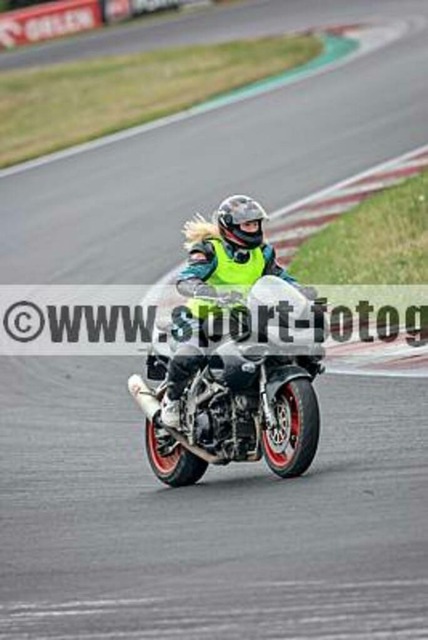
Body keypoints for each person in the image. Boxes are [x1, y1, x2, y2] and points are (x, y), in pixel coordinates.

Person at [160, 194, 320, 428]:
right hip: (200, 316)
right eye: (247, 225)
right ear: (230, 226)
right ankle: (171, 400)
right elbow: (187, 278)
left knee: (293, 346)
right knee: (189, 354)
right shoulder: (210, 250)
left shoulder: (262, 253)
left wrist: (301, 291)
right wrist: (204, 290)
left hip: (242, 315)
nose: (253, 229)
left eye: (255, 224)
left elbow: (280, 278)